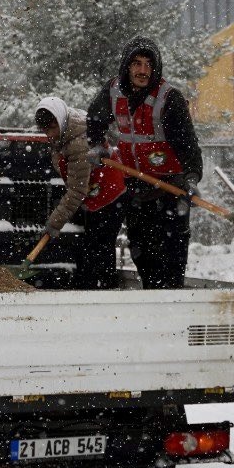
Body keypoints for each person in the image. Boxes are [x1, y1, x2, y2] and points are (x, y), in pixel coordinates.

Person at [84, 36, 202, 290]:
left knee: (171, 257)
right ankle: (152, 296)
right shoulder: (113, 92)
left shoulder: (169, 99)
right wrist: (97, 145)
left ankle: (171, 301)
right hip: (137, 187)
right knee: (142, 251)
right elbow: (94, 119)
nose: (143, 71)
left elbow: (188, 145)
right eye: (137, 63)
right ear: (127, 66)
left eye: (149, 65)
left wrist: (191, 179)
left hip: (171, 188)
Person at [33, 95, 126, 289]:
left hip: (109, 195)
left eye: (51, 128)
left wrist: (54, 223)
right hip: (92, 194)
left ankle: (104, 291)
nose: (49, 134)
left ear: (60, 121)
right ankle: (88, 288)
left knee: (99, 247)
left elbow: (76, 190)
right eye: (45, 130)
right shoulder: (64, 134)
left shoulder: (79, 143)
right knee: (88, 248)